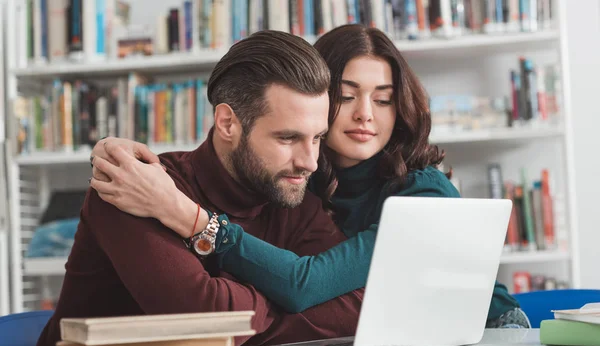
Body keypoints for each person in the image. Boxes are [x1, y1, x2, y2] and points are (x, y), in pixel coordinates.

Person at [89, 25, 530, 329]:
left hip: (485, 328)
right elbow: (297, 293)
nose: (364, 115)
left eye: (383, 100)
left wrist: (192, 219)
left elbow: (308, 284)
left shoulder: (423, 194)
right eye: (347, 95)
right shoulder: (302, 183)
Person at [31, 30, 366, 346]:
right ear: (227, 123)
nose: (309, 161)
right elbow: (204, 320)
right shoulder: (135, 186)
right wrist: (290, 293)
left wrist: (244, 308)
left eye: (317, 138)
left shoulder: (295, 197)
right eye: (288, 138)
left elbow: (358, 308)